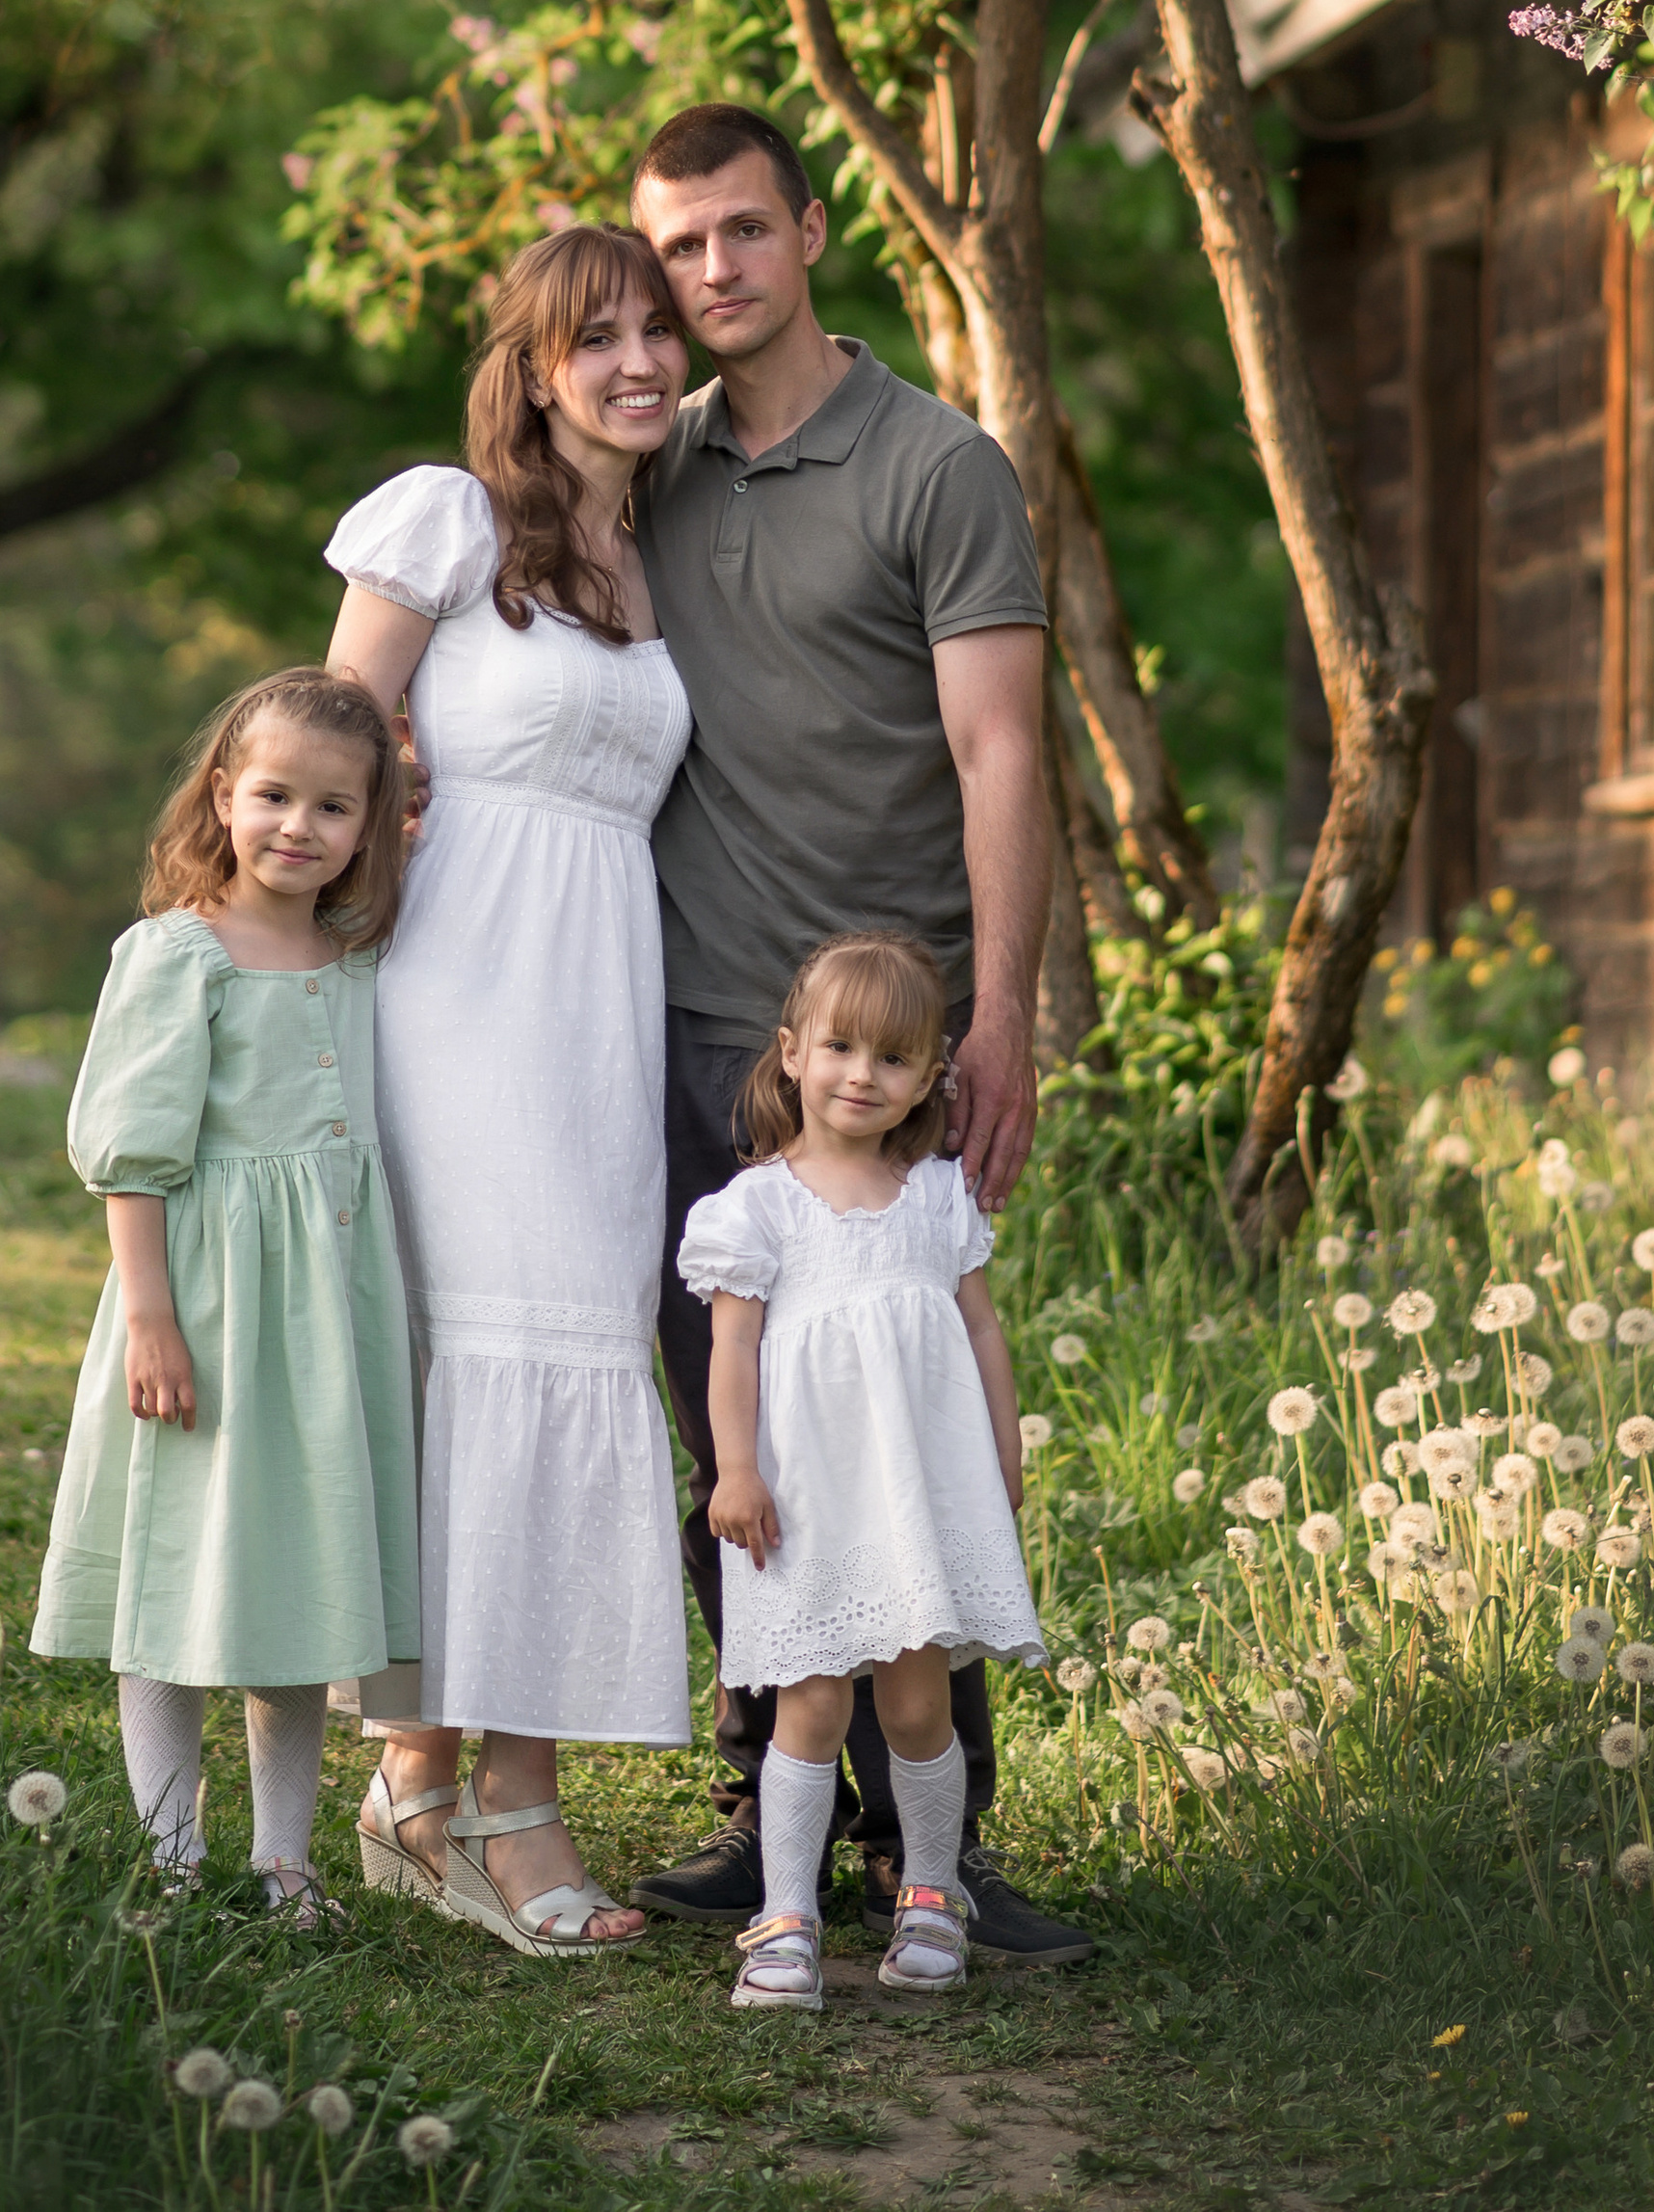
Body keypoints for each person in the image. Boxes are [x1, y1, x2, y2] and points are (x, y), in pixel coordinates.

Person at [628, 100, 1092, 1965]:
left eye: (743, 229)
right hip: (686, 1026)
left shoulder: (935, 465)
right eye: (677, 246)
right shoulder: (640, 469)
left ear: (811, 230)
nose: (713, 270)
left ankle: (940, 1848)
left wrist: (1004, 1018)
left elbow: (1002, 751)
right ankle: (771, 1821)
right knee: (728, 1428)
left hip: (882, 1048)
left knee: (896, 1424)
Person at [322, 223, 694, 1953]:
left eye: (656, 332)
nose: (636, 361)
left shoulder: (665, 547)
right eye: (595, 335)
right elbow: (326, 735)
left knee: (576, 1346)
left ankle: (507, 1786)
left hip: (600, 993)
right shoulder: (452, 521)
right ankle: (429, 1786)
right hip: (454, 988)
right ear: (535, 367)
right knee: (464, 1350)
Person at [32, 665, 421, 1922]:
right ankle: (169, 1852)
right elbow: (131, 1149)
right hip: (202, 1307)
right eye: (272, 794)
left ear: (373, 824)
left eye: (335, 807)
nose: (299, 826)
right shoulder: (175, 954)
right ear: (221, 793)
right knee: (178, 1570)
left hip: (319, 1323)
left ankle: (283, 1858)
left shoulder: (359, 959)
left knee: (296, 1573)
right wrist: (149, 1314)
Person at [679, 931, 1042, 2011]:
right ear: (791, 1052)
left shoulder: (936, 1198)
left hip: (916, 1499)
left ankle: (928, 1894)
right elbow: (730, 1351)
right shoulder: (756, 1209)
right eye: (838, 1046)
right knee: (814, 1702)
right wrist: (733, 1470)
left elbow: (979, 1333)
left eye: (891, 1057)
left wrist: (1003, 1444)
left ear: (929, 1076)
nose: (860, 1075)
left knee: (921, 1704)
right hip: (804, 1503)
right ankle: (785, 1918)